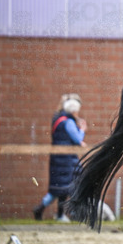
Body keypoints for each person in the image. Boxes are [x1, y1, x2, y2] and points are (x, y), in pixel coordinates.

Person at [33, 93, 86, 222]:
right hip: (67, 159)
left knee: (59, 188)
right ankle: (65, 213)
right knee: (68, 185)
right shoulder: (68, 122)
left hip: (59, 159)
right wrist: (83, 129)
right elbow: (77, 138)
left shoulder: (58, 119)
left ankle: (46, 210)